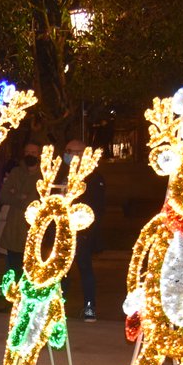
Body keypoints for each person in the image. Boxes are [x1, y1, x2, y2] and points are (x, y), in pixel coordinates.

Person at [62, 138, 106, 322]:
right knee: (61, 270)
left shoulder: (93, 177)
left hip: (82, 232)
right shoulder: (62, 174)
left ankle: (90, 306)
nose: (68, 155)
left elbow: (96, 207)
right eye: (67, 151)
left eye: (71, 151)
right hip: (62, 231)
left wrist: (86, 229)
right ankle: (58, 305)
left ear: (82, 154)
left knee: (84, 267)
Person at [0, 142, 42, 279]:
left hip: (33, 230)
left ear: (39, 154)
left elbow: (34, 202)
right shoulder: (16, 172)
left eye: (33, 152)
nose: (30, 155)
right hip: (14, 228)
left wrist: (15, 194)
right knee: (12, 268)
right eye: (27, 152)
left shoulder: (44, 174)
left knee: (31, 271)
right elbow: (3, 195)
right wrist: (20, 197)